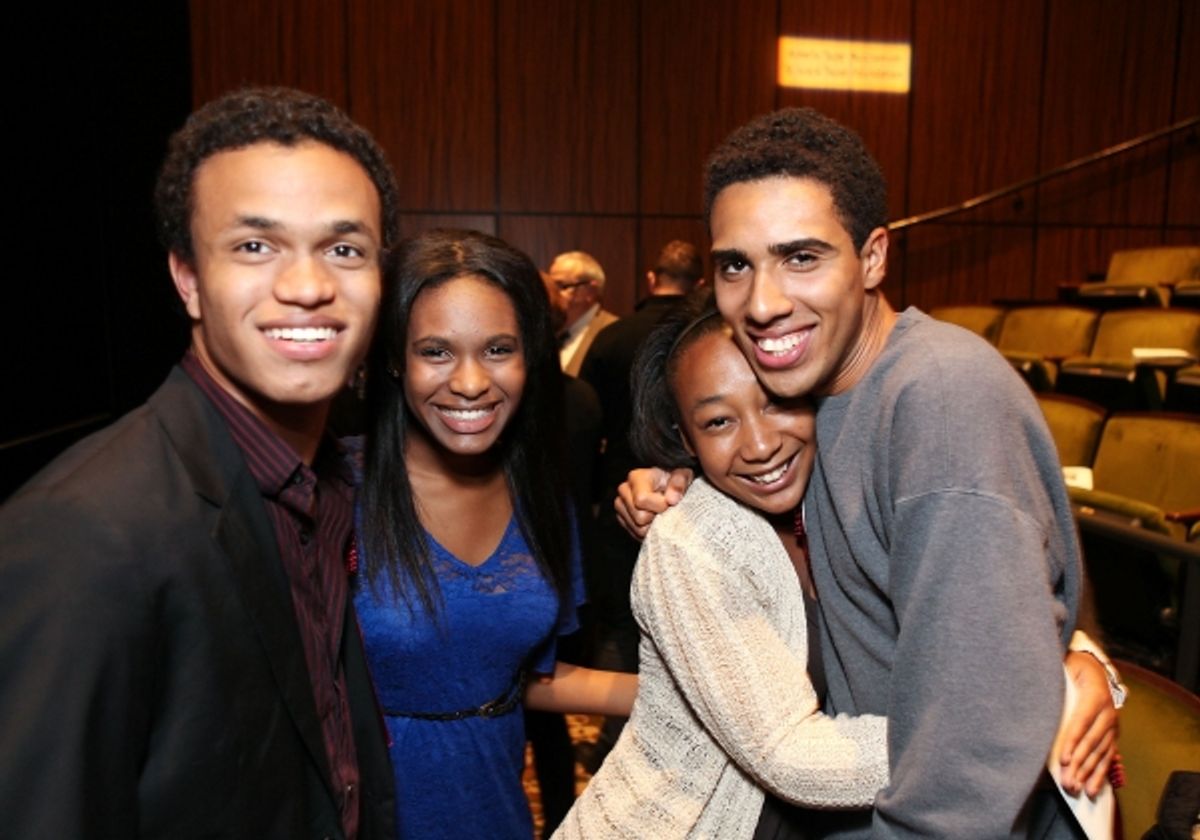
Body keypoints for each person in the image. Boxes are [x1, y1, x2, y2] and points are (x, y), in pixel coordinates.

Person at [616, 108, 1122, 837]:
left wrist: (1079, 660)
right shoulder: (816, 397)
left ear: (874, 258)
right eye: (736, 264)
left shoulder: (939, 399)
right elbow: (1030, 554)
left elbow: (970, 752)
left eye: (802, 257)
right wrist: (674, 488)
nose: (762, 302)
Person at [562, 298, 1118, 839]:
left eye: (776, 401)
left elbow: (985, 579)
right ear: (685, 439)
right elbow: (791, 756)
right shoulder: (691, 539)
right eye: (718, 422)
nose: (758, 444)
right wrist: (1011, 735)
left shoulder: (844, 493)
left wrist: (1082, 659)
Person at [0, 87, 399, 839]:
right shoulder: (84, 533)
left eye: (344, 249)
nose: (308, 287)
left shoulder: (319, 483)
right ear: (187, 279)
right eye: (255, 246)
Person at [354, 229, 636, 839]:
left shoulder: (541, 500)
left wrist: (690, 694)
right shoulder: (334, 493)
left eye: (498, 349)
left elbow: (519, 677)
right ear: (395, 358)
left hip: (495, 815)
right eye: (436, 351)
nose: (471, 383)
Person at [576, 240, 706, 768]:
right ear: (698, 281)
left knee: (624, 625)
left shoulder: (610, 337)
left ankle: (618, 744)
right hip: (643, 498)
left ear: (651, 278)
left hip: (620, 504)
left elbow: (586, 417)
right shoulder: (704, 336)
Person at [550, 249, 618, 375]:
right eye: (550, 286)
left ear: (590, 291)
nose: (551, 293)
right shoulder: (548, 329)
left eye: (561, 286)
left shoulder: (613, 332)